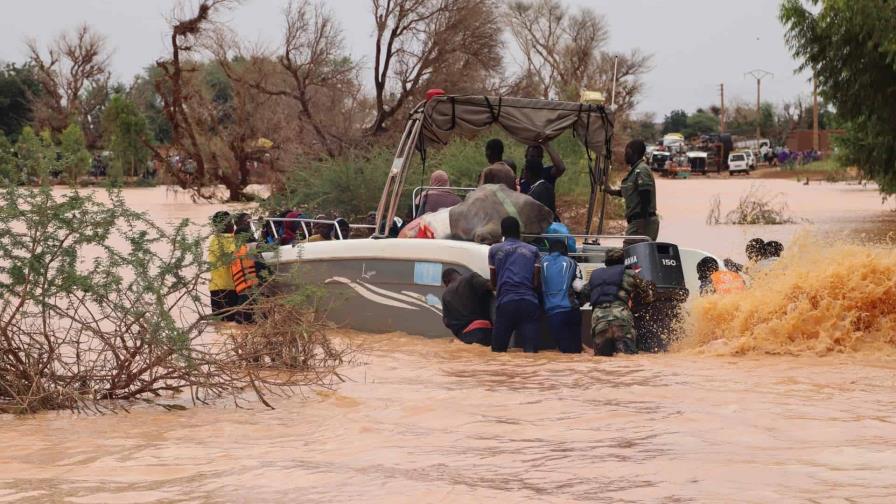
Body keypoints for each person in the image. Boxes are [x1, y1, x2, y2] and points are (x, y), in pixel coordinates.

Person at [583, 248, 653, 356]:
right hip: (621, 318)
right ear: (623, 260)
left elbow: (584, 294)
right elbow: (647, 294)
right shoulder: (630, 273)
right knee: (627, 358)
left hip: (599, 321)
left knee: (603, 360)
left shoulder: (595, 276)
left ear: (606, 261)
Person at [488, 216, 542, 353]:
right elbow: (536, 283)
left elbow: (493, 282)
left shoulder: (494, 250)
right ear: (519, 231)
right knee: (531, 353)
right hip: (529, 303)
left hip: (506, 303)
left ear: (502, 232)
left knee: (498, 352)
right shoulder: (533, 251)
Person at [607, 139, 659, 246]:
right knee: (635, 255)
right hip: (637, 222)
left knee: (629, 251)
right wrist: (609, 191)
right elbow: (627, 192)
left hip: (641, 222)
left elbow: (645, 196)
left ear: (630, 152)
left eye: (626, 153)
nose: (625, 156)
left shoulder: (641, 170)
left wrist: (642, 224)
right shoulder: (634, 171)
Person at [540, 240, 584, 353]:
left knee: (564, 351)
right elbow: (578, 287)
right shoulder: (572, 262)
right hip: (572, 310)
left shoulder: (540, 262)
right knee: (576, 352)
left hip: (553, 312)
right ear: (565, 251)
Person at [440, 268, 494, 346]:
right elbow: (490, 285)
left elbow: (446, 322)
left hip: (464, 337)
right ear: (459, 274)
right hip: (484, 329)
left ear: (446, 282)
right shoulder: (470, 277)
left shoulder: (445, 295)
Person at [208, 211, 238, 322]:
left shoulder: (214, 240)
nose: (233, 225)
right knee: (231, 323)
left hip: (216, 288)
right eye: (230, 222)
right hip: (228, 288)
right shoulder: (228, 239)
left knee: (220, 326)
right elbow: (230, 258)